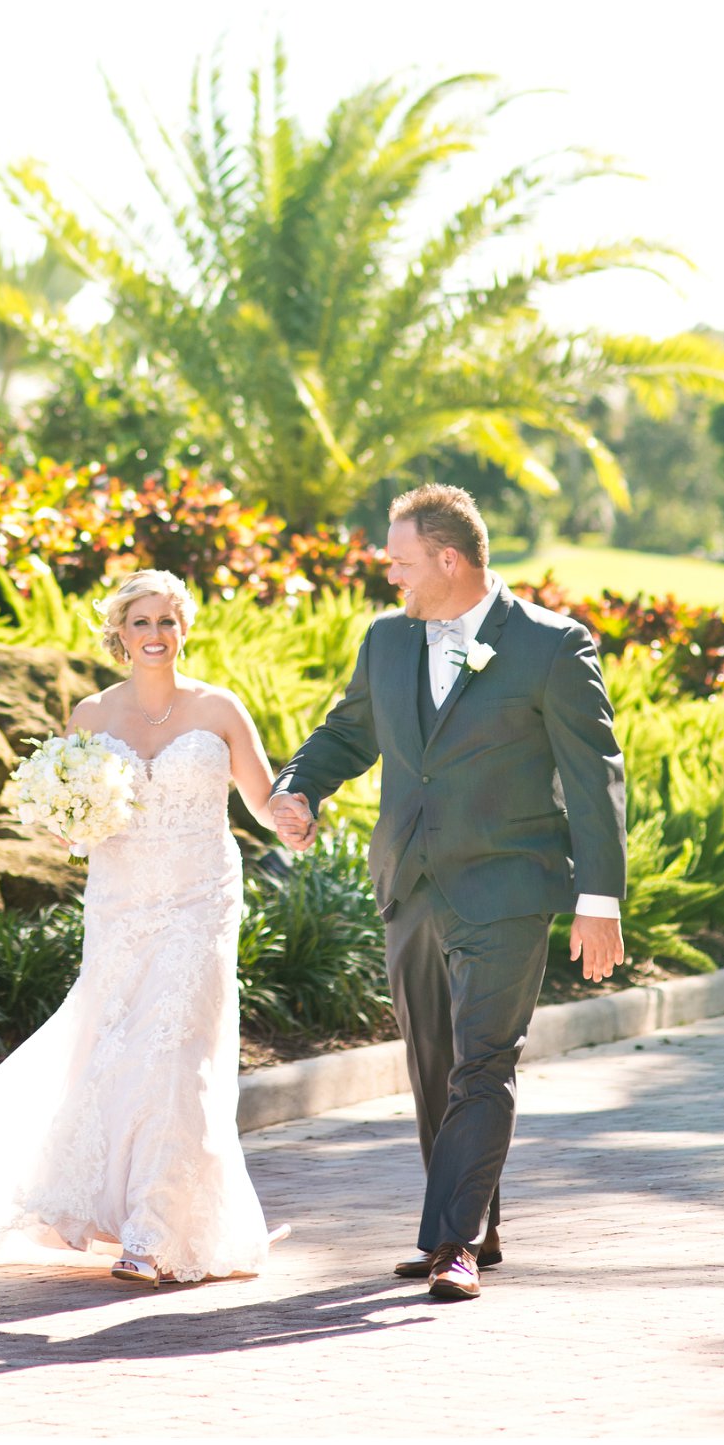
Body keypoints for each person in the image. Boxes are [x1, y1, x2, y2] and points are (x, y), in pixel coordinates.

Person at [0, 567, 292, 1284]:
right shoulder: (90, 717)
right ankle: (98, 1209)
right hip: (120, 904)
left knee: (177, 1053)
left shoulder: (220, 709)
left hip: (200, 900)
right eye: (141, 622)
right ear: (119, 631)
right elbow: (70, 816)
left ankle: (152, 1231)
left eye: (167, 621)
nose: (155, 635)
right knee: (109, 1048)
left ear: (185, 628)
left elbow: (266, 804)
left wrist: (297, 816)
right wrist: (62, 821)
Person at [271, 482, 627, 1305]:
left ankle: (452, 1243)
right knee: (435, 1065)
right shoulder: (389, 640)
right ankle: (476, 1225)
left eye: (400, 561)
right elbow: (348, 731)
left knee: (484, 1060)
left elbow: (594, 774)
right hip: (410, 881)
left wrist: (598, 899)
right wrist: (301, 787)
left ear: (448, 558)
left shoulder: (550, 645)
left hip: (506, 886)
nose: (390, 575)